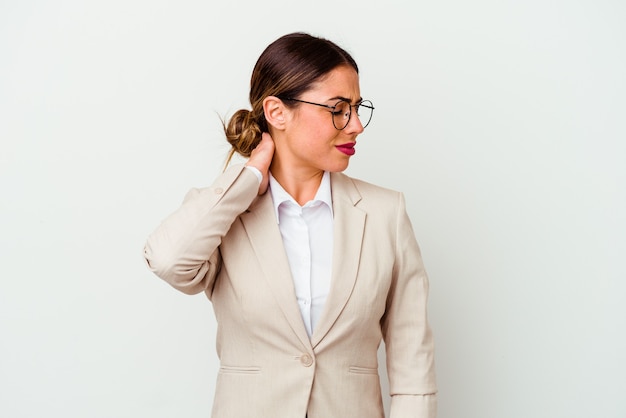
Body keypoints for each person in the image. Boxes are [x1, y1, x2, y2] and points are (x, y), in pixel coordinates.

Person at [143, 32, 437, 418]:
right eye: (337, 109)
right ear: (277, 112)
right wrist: (246, 178)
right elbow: (168, 261)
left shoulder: (386, 213)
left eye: (356, 107)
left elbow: (413, 365)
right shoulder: (226, 214)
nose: (355, 126)